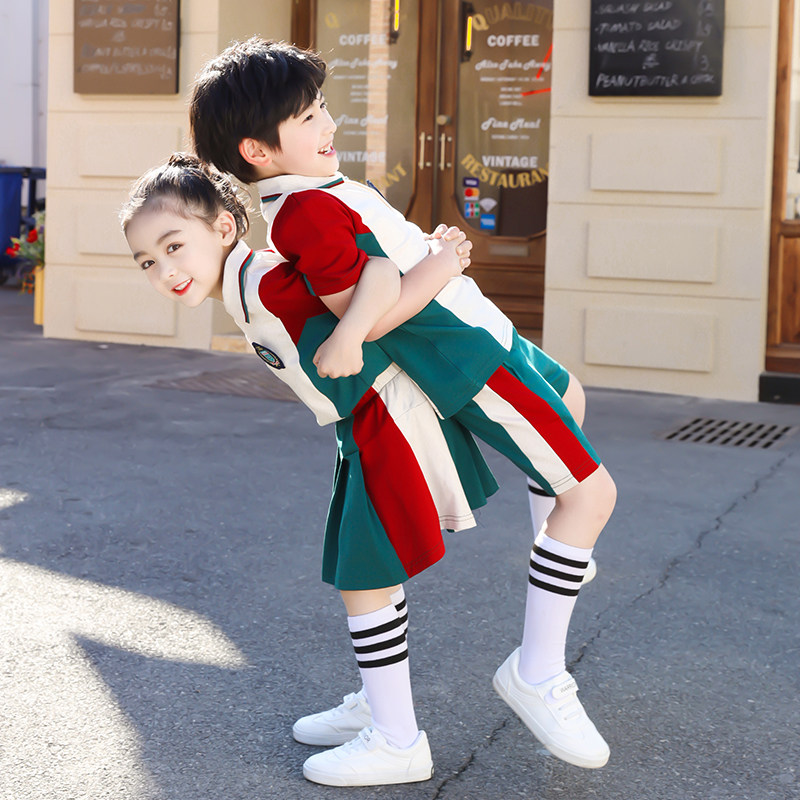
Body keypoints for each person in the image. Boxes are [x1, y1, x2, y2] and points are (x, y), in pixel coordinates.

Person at [188, 38, 616, 784]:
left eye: (322, 108)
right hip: (466, 358)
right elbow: (368, 314)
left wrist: (433, 261)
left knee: (570, 402)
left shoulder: (318, 191)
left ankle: (560, 562)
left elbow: (381, 268)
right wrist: (440, 265)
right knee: (592, 494)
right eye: (308, 117)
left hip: (485, 336)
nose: (329, 123)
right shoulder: (304, 214)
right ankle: (538, 671)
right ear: (257, 151)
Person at [121, 153, 507, 786]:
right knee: (365, 571)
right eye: (147, 262)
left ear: (224, 227)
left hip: (385, 417)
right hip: (362, 423)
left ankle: (398, 740)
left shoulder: (267, 280)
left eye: (173, 246)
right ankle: (380, 706)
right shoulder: (245, 289)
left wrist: (436, 267)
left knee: (363, 574)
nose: (165, 270)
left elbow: (375, 273)